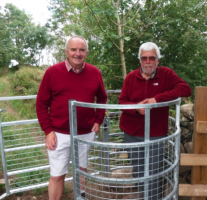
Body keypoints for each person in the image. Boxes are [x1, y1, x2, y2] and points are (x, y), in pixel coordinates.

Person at [36, 35, 107, 200]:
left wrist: (98, 120)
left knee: (82, 170)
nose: (78, 53)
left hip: (85, 133)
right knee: (57, 175)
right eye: (74, 49)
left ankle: (80, 197)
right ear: (66, 52)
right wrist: (48, 131)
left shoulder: (95, 72)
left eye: (82, 50)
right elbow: (41, 104)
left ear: (87, 53)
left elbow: (102, 98)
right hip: (59, 134)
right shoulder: (52, 72)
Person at [119, 42, 192, 199]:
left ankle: (152, 197)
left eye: (152, 58)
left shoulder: (166, 74)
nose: (148, 61)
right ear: (140, 60)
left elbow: (185, 89)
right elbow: (122, 103)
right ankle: (143, 195)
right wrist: (136, 108)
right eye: (144, 58)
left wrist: (157, 99)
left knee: (152, 171)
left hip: (155, 133)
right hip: (132, 133)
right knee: (138, 169)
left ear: (158, 60)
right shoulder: (131, 77)